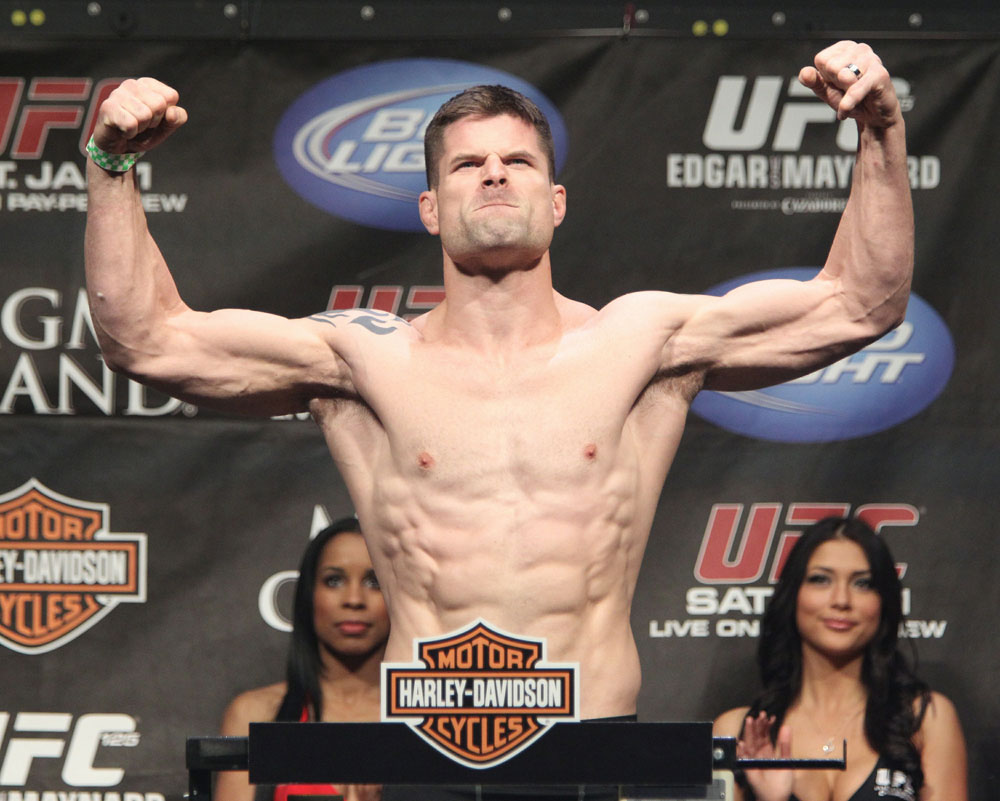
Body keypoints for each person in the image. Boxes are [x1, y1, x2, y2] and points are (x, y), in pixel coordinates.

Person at [85, 40, 913, 721]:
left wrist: (881, 130)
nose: (493, 173)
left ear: (556, 202)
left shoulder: (642, 342)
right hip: (427, 745)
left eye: (517, 160)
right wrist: (109, 164)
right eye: (467, 164)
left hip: (589, 738)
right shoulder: (363, 359)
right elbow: (148, 342)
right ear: (429, 207)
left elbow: (859, 303)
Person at [713, 517, 967, 801]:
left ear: (884, 601)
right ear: (793, 594)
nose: (841, 600)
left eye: (863, 584)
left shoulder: (925, 720)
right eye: (821, 580)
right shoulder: (735, 732)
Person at [216, 517, 388, 801]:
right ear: (309, 594)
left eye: (374, 582)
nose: (354, 599)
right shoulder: (255, 715)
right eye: (334, 581)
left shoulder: (432, 722)